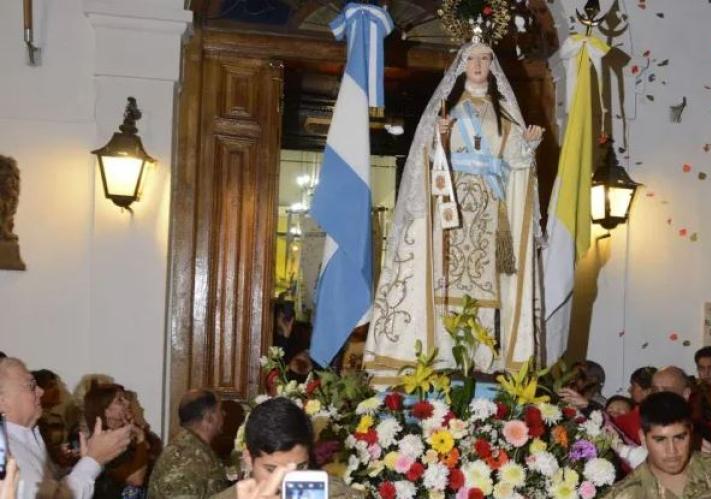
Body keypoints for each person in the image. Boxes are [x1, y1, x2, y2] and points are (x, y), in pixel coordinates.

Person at [364, 27, 544, 379]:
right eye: (471, 58)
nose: (477, 64)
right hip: (452, 209)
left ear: (492, 65)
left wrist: (527, 146)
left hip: (491, 213)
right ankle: (445, 358)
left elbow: (514, 160)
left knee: (486, 284)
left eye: (484, 58)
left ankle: (484, 360)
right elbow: (426, 163)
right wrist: (441, 140)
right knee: (447, 280)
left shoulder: (504, 118)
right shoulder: (446, 113)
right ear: (461, 65)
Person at [0, 357, 132, 499]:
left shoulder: (28, 437)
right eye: (30, 385)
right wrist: (93, 460)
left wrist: (85, 461)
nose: (41, 391)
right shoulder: (4, 451)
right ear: (2, 402)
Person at [602, 392, 711, 498]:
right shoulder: (624, 495)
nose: (672, 450)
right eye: (660, 440)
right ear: (643, 437)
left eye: (680, 437)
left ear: (691, 432)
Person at [212, 398, 361, 499]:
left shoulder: (335, 494)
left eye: (300, 467)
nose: (285, 483)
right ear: (248, 459)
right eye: (272, 470)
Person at [83, 383, 160, 499]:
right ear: (105, 411)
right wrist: (140, 437)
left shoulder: (130, 436)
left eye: (125, 399)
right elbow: (135, 479)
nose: (128, 403)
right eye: (120, 400)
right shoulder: (102, 442)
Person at [148, 389, 229, 499]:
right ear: (209, 417)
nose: (224, 414)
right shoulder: (186, 457)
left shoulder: (195, 448)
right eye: (220, 410)